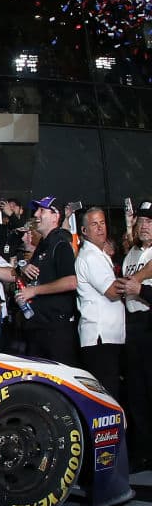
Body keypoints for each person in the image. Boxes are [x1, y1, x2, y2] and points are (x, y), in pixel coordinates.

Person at [15, 195, 79, 365]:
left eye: (42, 210)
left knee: (58, 383)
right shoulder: (43, 245)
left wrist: (34, 291)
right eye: (37, 210)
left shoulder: (61, 244)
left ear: (55, 216)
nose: (36, 214)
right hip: (38, 326)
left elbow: (71, 281)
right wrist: (24, 269)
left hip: (55, 330)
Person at [75, 207, 125, 401]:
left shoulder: (99, 253)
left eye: (102, 223)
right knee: (107, 396)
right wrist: (138, 278)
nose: (100, 228)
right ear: (84, 231)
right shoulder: (90, 256)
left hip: (108, 336)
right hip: (100, 338)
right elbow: (112, 292)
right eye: (94, 224)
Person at [120, 201, 152, 471]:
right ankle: (143, 452)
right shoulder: (131, 254)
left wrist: (140, 290)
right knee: (136, 393)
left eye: (151, 222)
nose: (145, 226)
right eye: (142, 220)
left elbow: (137, 289)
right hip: (131, 326)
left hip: (149, 323)